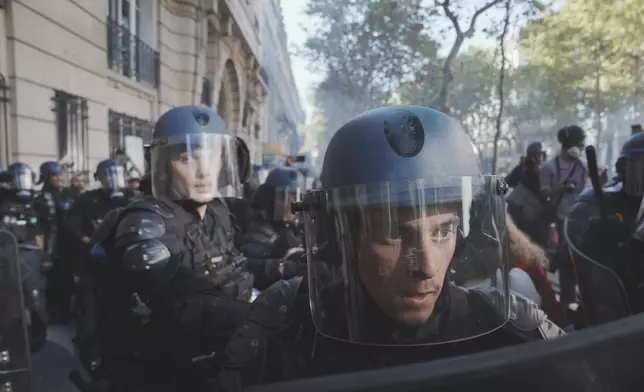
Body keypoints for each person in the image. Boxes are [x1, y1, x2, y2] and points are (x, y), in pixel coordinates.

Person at [212, 106, 565, 391]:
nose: (425, 266)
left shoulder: (506, 324)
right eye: (395, 236)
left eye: (443, 231)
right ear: (343, 240)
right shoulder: (286, 323)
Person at [107, 105, 253, 390]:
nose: (203, 171)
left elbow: (233, 264)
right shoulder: (146, 221)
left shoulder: (217, 211)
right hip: (167, 371)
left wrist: (284, 270)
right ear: (163, 165)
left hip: (225, 353)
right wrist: (262, 314)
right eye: (187, 158)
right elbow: (179, 301)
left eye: (213, 157)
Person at [539, 125, 589, 310]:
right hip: (561, 219)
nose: (580, 148)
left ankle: (582, 295)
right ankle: (568, 300)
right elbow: (545, 193)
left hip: (581, 218)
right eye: (578, 144)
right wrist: (560, 187)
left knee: (580, 257)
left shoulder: (582, 166)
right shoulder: (549, 167)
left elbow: (588, 188)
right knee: (566, 258)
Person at [0, 163, 48, 352]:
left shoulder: (37, 202)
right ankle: (12, 336)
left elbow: (41, 231)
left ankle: (38, 335)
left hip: (30, 253)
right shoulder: (2, 200)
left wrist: (44, 255)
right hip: (6, 255)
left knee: (35, 298)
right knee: (9, 299)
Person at [240, 166, 307, 290]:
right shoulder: (259, 232)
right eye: (286, 197)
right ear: (270, 198)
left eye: (296, 197)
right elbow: (247, 269)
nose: (294, 203)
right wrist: (280, 266)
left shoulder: (293, 228)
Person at [34, 161, 75, 323]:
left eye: (61, 175)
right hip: (52, 248)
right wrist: (42, 253)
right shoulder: (40, 199)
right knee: (52, 284)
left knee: (67, 281)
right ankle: (54, 314)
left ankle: (66, 312)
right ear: (47, 178)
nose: (60, 179)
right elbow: (39, 230)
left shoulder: (69, 195)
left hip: (68, 246)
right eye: (55, 176)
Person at [506, 142, 549, 246]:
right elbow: (507, 183)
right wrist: (519, 167)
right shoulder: (522, 171)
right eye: (532, 155)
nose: (535, 159)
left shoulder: (547, 172)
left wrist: (539, 172)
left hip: (538, 219)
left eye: (538, 155)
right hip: (519, 216)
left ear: (543, 156)